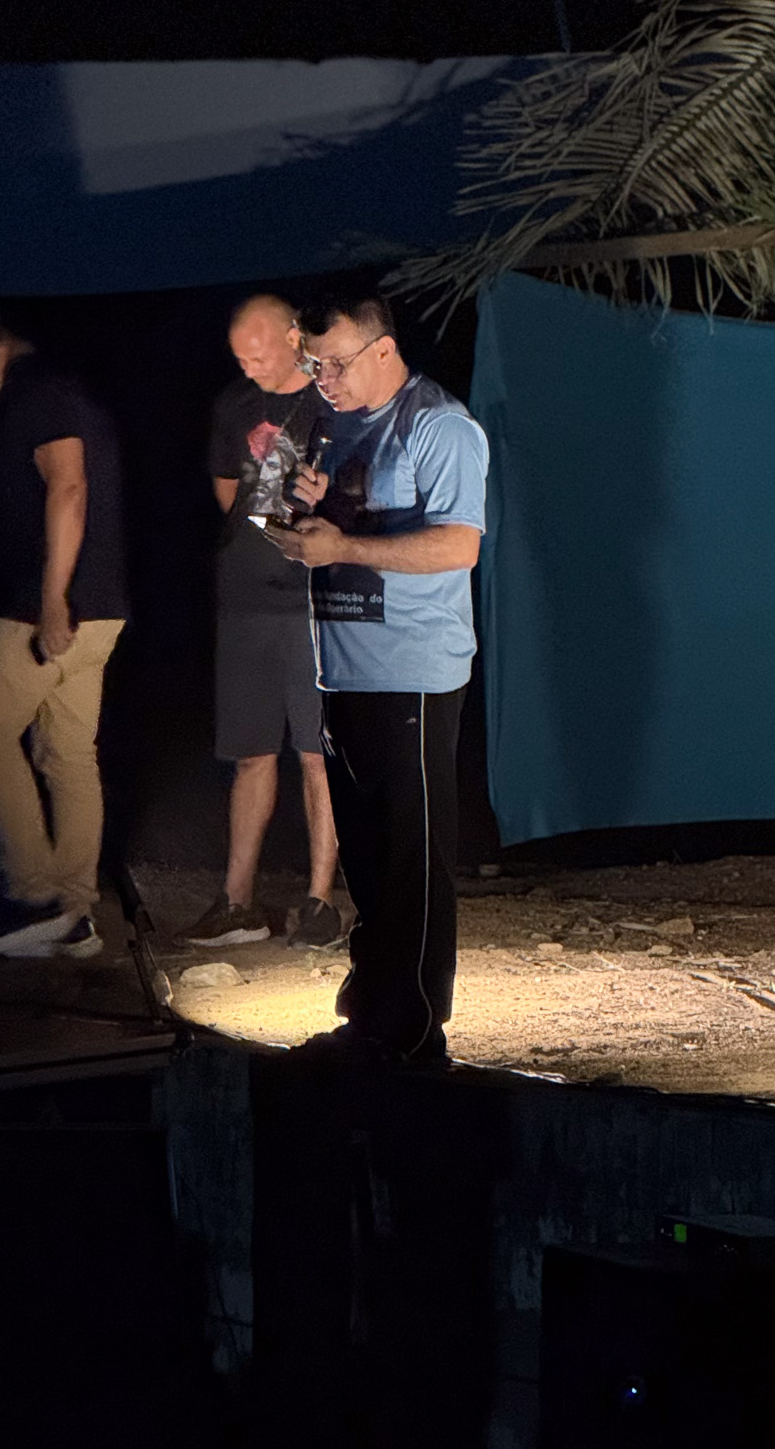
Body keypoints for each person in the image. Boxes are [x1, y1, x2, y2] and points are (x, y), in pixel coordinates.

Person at [272, 292, 487, 1066]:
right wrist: (292, 513)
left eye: (335, 364)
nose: (323, 380)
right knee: (366, 856)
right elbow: (297, 520)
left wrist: (344, 548)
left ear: (384, 350)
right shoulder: (328, 424)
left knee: (411, 858)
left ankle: (416, 1027)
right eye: (313, 366)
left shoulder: (439, 426)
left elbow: (459, 545)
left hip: (413, 672)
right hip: (343, 666)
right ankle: (371, 1013)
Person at [0, 316, 127, 959]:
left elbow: (69, 487)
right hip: (101, 608)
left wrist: (53, 602)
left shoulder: (38, 395)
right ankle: (73, 913)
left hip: (46, 610)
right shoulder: (68, 394)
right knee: (68, 755)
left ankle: (35, 896)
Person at [185, 295, 343, 951]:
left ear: (293, 336)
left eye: (258, 354)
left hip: (310, 598)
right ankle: (237, 902)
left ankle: (320, 901)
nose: (248, 367)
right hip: (246, 593)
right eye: (239, 357)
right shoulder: (235, 404)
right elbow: (229, 492)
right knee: (251, 752)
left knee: (316, 752)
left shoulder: (331, 397)